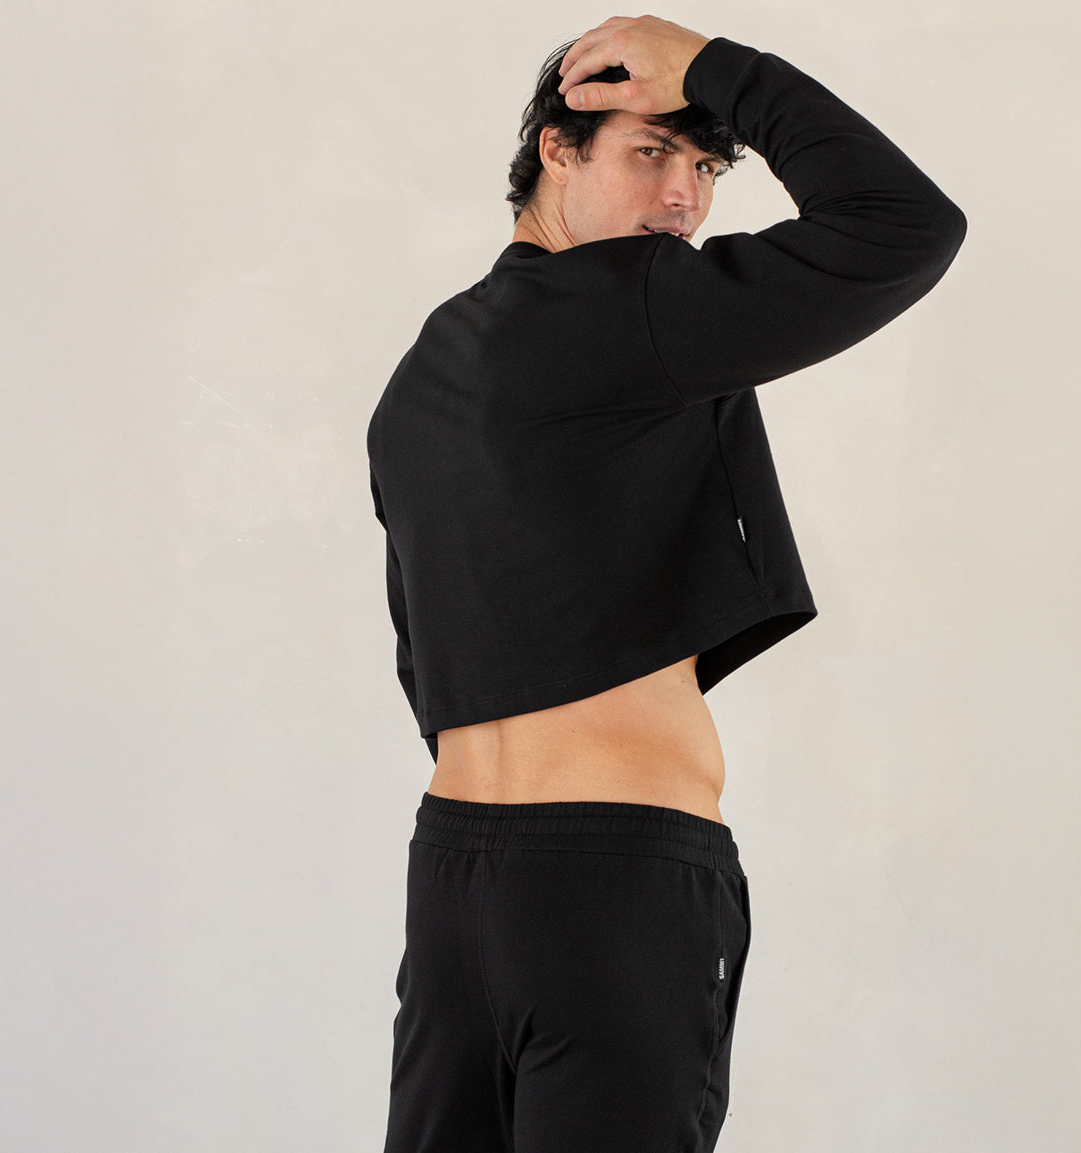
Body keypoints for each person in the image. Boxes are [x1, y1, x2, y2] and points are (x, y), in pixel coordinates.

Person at [366, 15, 966, 1152]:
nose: (685, 198)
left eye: (707, 167)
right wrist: (714, 67)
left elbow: (423, 651)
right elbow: (904, 225)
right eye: (652, 152)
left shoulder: (425, 369)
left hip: (450, 883)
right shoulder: (635, 304)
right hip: (611, 883)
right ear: (557, 148)